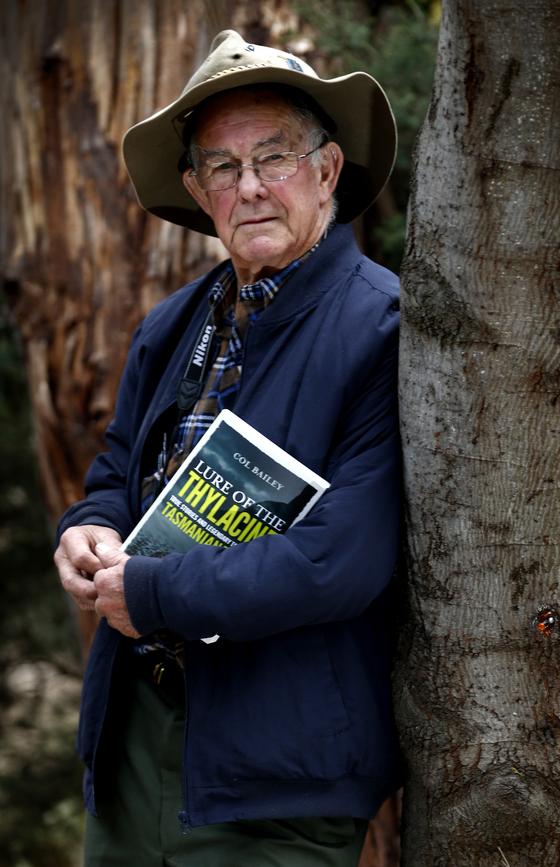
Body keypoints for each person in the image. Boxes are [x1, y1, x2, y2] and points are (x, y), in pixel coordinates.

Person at [54, 29, 402, 867]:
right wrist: (88, 528)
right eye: (222, 166)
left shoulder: (383, 326)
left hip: (282, 771)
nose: (249, 187)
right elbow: (114, 474)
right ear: (195, 189)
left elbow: (342, 560)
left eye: (274, 157)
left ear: (326, 171)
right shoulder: (172, 325)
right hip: (136, 739)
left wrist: (157, 592)